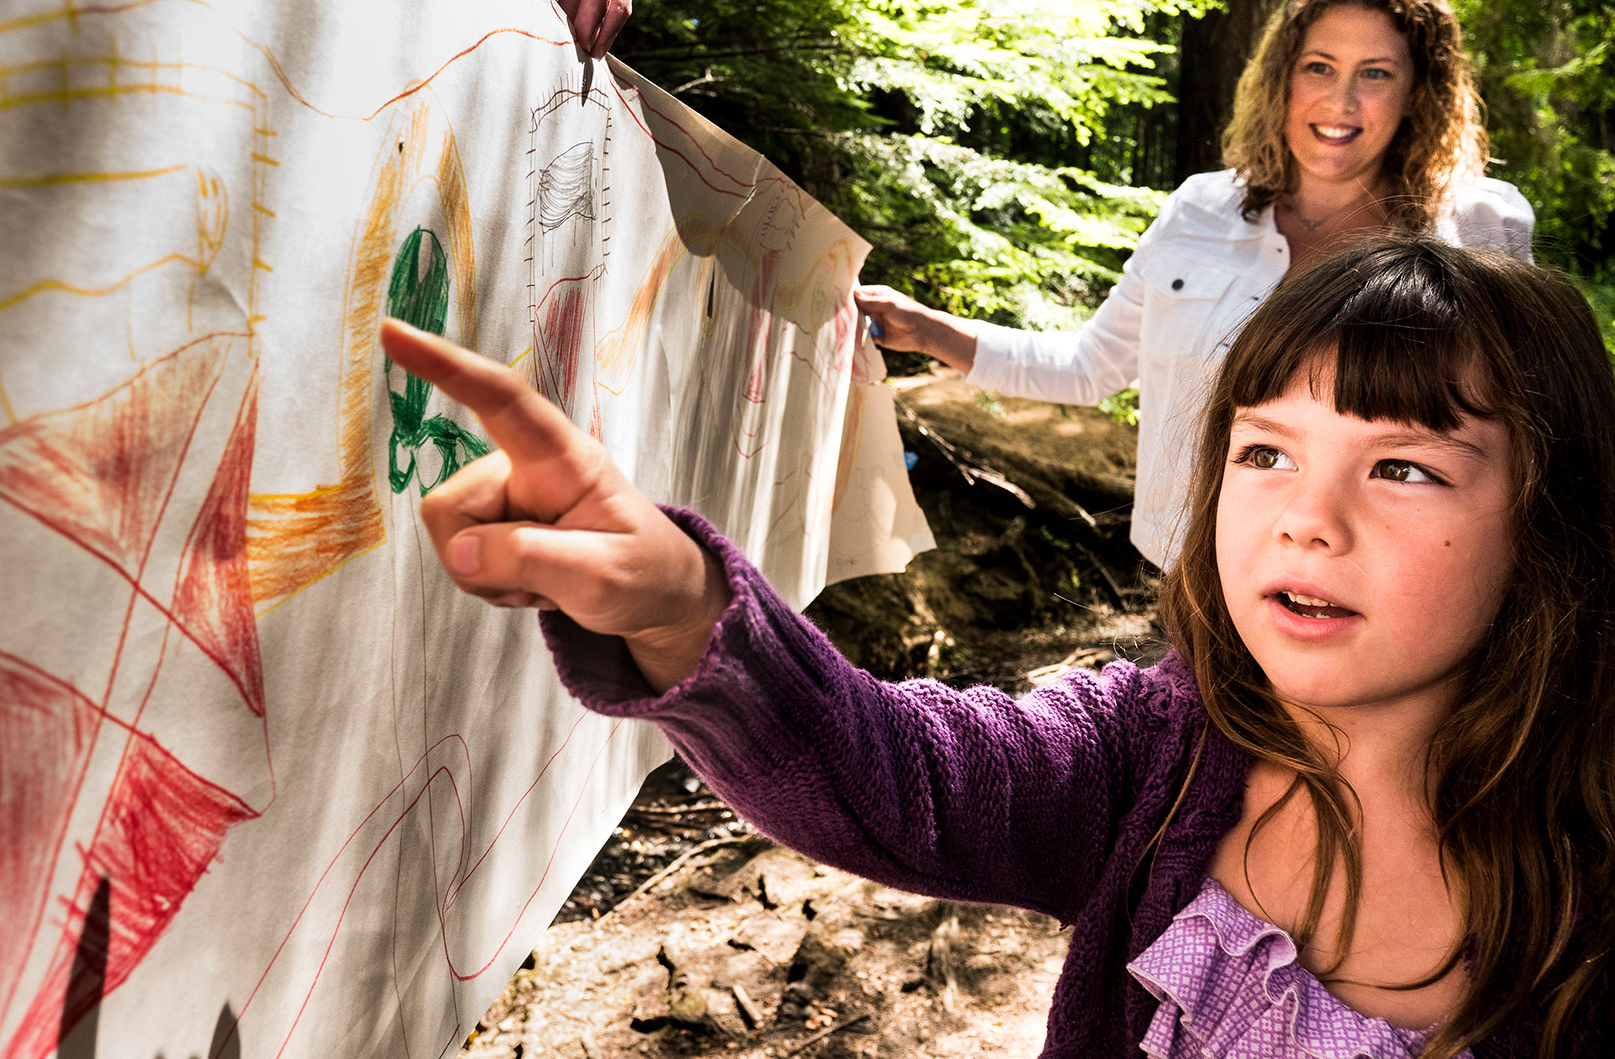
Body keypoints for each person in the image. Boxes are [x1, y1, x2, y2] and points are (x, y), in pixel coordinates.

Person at [383, 235, 1615, 1056]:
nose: (1307, 517)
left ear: (1548, 525)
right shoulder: (1152, 753)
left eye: (1402, 467)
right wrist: (684, 612)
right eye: (1265, 452)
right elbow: (900, 771)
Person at [853, 0, 1534, 569]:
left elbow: (1517, 428)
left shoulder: (1474, 227)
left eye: (1375, 73)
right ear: (1283, 78)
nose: (1341, 100)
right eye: (1319, 67)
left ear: (1417, 93)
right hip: (1189, 578)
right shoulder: (1198, 212)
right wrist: (926, 329)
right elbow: (1089, 366)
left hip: (1373, 584)